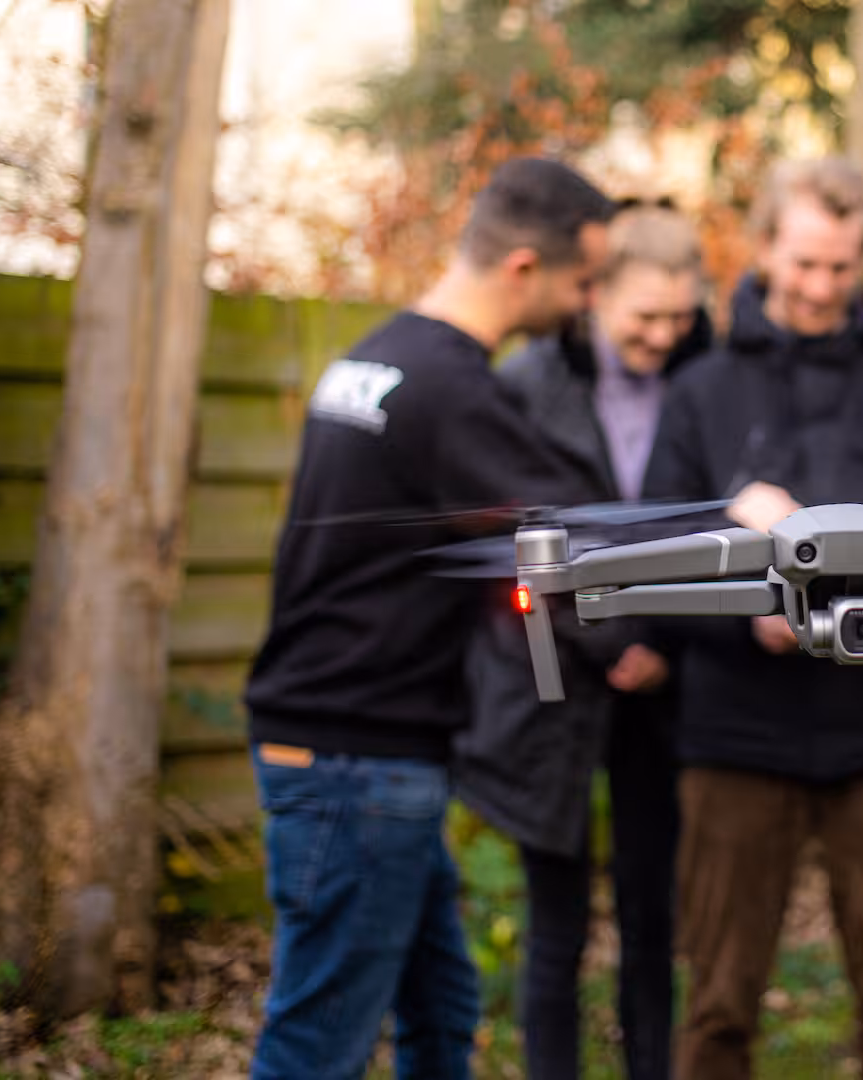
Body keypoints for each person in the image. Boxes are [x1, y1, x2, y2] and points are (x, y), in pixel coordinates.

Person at [239, 158, 618, 1080]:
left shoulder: (374, 359)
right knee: (316, 1045)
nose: (589, 303)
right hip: (357, 761)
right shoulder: (450, 391)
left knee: (443, 1016)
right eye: (584, 281)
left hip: (352, 746)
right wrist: (737, 524)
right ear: (524, 268)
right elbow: (574, 532)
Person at [641, 157, 863, 1080]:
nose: (820, 288)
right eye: (805, 263)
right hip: (738, 738)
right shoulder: (700, 392)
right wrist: (747, 619)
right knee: (719, 1006)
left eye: (841, 268)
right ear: (765, 247)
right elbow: (657, 564)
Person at [455, 200, 711, 1080]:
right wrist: (607, 642)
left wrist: (664, 642)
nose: (663, 336)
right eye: (646, 317)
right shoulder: (525, 384)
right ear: (595, 294)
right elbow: (511, 536)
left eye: (680, 318)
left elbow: (718, 520)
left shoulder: (704, 381)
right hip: (552, 681)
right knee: (555, 921)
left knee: (652, 917)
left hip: (664, 684)